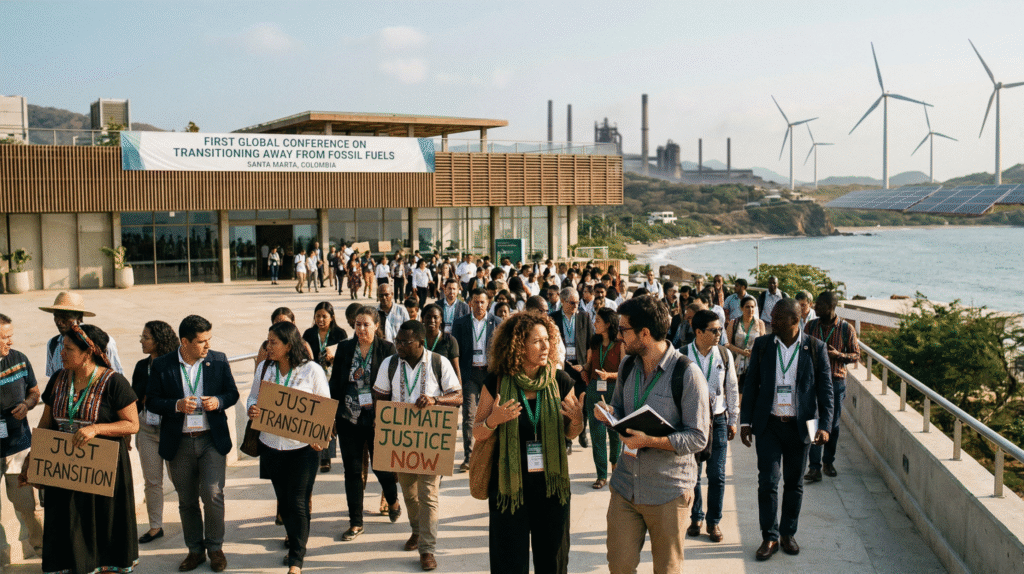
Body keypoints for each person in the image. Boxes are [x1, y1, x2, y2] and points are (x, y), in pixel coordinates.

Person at [593, 295, 710, 574]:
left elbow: (698, 437)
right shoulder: (627, 366)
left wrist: (650, 441)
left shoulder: (688, 373)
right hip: (625, 486)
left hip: (668, 491)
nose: (619, 336)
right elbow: (621, 409)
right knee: (619, 567)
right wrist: (610, 413)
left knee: (667, 570)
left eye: (624, 330)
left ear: (644, 334)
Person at [19, 324, 140, 573]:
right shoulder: (58, 380)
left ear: (88, 353)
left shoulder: (113, 382)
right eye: (62, 347)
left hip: (101, 473)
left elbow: (132, 424)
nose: (61, 353)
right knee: (66, 526)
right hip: (65, 470)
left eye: (68, 348)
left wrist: (96, 429)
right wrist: (34, 458)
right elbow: (46, 423)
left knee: (100, 526)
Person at [472, 312, 585, 574]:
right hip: (509, 488)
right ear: (518, 345)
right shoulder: (497, 382)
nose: (546, 346)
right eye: (537, 341)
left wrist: (578, 421)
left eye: (548, 340)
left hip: (551, 488)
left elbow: (570, 433)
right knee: (509, 563)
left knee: (553, 561)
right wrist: (494, 420)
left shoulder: (560, 381)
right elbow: (478, 432)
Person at [739, 299, 833, 561]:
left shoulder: (816, 348)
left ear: (795, 321)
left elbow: (826, 392)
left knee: (794, 483)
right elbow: (752, 385)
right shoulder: (762, 345)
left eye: (778, 318)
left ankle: (787, 534)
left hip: (799, 426)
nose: (772, 322)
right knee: (767, 482)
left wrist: (825, 426)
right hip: (768, 425)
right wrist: (745, 422)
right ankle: (769, 536)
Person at [146, 315, 239, 572]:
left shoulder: (218, 360)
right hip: (180, 444)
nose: (207, 345)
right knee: (187, 501)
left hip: (211, 439)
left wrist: (218, 401)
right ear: (184, 342)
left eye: (209, 339)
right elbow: (151, 400)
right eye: (201, 341)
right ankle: (195, 550)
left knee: (212, 494)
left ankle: (215, 547)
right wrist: (175, 405)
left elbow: (232, 393)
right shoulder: (162, 365)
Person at [373, 321, 462, 571]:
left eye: (404, 342)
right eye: (397, 341)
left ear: (420, 343)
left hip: (430, 443)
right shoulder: (390, 364)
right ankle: (416, 530)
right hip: (402, 443)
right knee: (410, 495)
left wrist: (435, 400)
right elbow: (379, 396)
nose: (398, 345)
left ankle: (427, 549)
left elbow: (458, 396)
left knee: (428, 496)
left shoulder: (438, 362)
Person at [247, 322, 330, 574]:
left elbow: (325, 407)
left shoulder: (312, 371)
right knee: (284, 503)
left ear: (288, 345)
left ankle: (296, 559)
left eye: (274, 342)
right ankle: (295, 541)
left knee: (297, 501)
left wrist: (321, 437)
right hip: (271, 446)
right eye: (268, 341)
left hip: (302, 448)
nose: (268, 346)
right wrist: (252, 408)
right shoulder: (264, 368)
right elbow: (252, 397)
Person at [328, 306, 401, 541]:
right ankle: (356, 522)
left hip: (376, 421)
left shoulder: (388, 349)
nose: (361, 329)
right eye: (358, 324)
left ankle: (392, 499)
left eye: (366, 324)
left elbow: (394, 386)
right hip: (348, 418)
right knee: (352, 471)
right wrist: (331, 415)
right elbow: (335, 383)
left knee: (381, 467)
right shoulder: (345, 348)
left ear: (377, 326)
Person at [682, 310, 739, 543]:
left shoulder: (724, 355)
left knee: (717, 474)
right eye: (714, 330)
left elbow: (732, 388)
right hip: (691, 422)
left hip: (717, 420)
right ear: (698, 332)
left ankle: (713, 521)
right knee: (693, 474)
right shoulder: (682, 355)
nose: (719, 334)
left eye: (720, 329)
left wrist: (733, 419)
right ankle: (696, 517)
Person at [0, 314, 43, 565]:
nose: (10, 341)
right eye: (4, 337)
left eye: (10, 336)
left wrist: (27, 405)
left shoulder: (19, 359)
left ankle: (43, 553)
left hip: (18, 447)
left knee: (29, 506)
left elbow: (34, 392)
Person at [803, 291, 859, 483]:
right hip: (813, 381)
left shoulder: (845, 328)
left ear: (830, 307)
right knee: (814, 422)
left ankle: (828, 461)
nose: (814, 308)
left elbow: (856, 355)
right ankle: (814, 467)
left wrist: (838, 356)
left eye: (818, 305)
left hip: (835, 382)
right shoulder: (810, 326)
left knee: (832, 425)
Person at [131, 320, 179, 545]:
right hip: (147, 428)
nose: (141, 340)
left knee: (181, 480)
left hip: (172, 427)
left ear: (159, 341)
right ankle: (155, 526)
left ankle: (194, 520)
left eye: (146, 337)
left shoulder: (175, 364)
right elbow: (133, 399)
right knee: (152, 481)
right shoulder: (141, 366)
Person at [451, 288, 502, 472]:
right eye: (475, 301)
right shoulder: (460, 323)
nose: (479, 305)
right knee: (469, 415)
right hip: (469, 374)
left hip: (490, 375)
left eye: (482, 302)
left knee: (492, 414)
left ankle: (492, 456)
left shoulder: (497, 322)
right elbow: (455, 352)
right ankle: (468, 456)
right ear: (469, 303)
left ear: (488, 303)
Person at [302, 302, 348, 473]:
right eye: (318, 316)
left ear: (332, 317)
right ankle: (319, 453)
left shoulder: (339, 333)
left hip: (333, 381)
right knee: (317, 417)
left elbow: (345, 356)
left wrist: (334, 359)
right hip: (313, 380)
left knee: (329, 418)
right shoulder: (308, 333)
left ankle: (327, 456)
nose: (320, 319)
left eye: (324, 316)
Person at [581, 307, 621, 489]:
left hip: (614, 392)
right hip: (594, 391)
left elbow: (624, 372)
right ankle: (601, 475)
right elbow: (590, 364)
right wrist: (583, 369)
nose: (594, 324)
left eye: (598, 321)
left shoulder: (620, 344)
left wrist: (610, 376)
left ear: (608, 324)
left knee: (614, 433)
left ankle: (616, 466)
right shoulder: (594, 342)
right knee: (597, 434)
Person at [40, 291, 123, 376]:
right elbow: (53, 381)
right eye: (56, 316)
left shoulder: (104, 342)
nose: (59, 322)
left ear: (79, 317)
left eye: (65, 317)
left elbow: (117, 378)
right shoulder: (53, 345)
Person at [550, 287, 593, 448]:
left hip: (579, 365)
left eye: (577, 302)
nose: (576, 305)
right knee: (564, 402)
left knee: (583, 399)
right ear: (562, 301)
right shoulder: (553, 318)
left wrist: (586, 366)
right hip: (562, 367)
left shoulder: (584, 316)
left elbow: (590, 344)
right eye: (572, 302)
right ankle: (567, 438)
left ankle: (582, 432)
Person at [726, 295, 766, 390]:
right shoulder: (734, 323)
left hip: (753, 362)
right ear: (741, 308)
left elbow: (763, 343)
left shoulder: (760, 323)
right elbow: (727, 344)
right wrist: (742, 352)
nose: (750, 309)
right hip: (736, 361)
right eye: (747, 306)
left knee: (752, 390)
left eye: (752, 307)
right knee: (736, 389)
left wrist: (754, 352)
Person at [421, 304, 462, 384]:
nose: (432, 320)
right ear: (423, 319)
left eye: (435, 317)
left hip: (443, 385)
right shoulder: (418, 339)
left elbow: (456, 370)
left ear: (441, 320)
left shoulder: (450, 341)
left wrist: (459, 393)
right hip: (421, 384)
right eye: (428, 317)